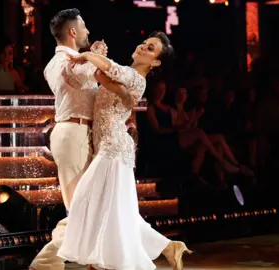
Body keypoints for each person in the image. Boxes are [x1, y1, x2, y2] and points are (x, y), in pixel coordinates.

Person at [57, 32, 192, 270]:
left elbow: (107, 69)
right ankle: (168, 248)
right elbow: (102, 73)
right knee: (118, 213)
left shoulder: (136, 78)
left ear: (155, 62)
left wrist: (89, 54)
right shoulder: (127, 76)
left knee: (86, 200)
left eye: (150, 49)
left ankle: (100, 259)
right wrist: (96, 55)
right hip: (110, 146)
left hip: (113, 148)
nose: (142, 47)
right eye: (144, 43)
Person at [29, 8, 110, 270]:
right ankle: (45, 263)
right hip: (71, 133)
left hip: (83, 133)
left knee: (91, 203)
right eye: (84, 27)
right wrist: (95, 57)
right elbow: (79, 75)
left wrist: (93, 58)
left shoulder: (77, 59)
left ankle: (92, 262)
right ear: (73, 31)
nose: (88, 31)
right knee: (79, 208)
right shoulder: (61, 62)